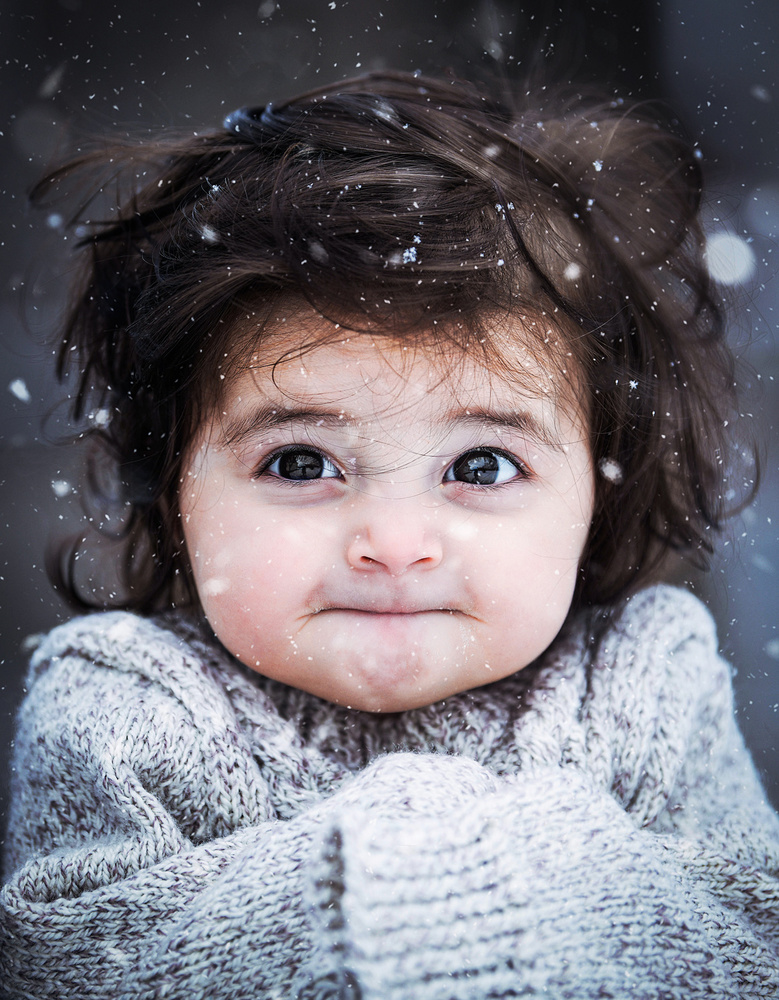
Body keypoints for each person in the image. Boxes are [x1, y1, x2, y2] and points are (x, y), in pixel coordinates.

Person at [1, 69, 777, 999]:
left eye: (479, 467)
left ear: (595, 501)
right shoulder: (123, 706)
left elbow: (746, 935)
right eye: (300, 464)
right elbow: (77, 963)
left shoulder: (647, 682)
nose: (395, 541)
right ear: (174, 495)